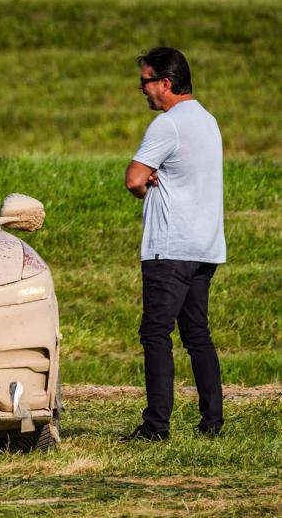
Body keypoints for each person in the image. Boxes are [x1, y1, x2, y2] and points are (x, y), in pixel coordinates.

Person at [123, 47, 226, 441]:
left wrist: (145, 182)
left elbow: (134, 178)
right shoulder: (208, 121)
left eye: (146, 82)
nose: (142, 89)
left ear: (165, 83)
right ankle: (211, 422)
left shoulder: (168, 125)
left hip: (170, 248)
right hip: (205, 246)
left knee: (155, 334)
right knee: (197, 334)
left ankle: (155, 426)